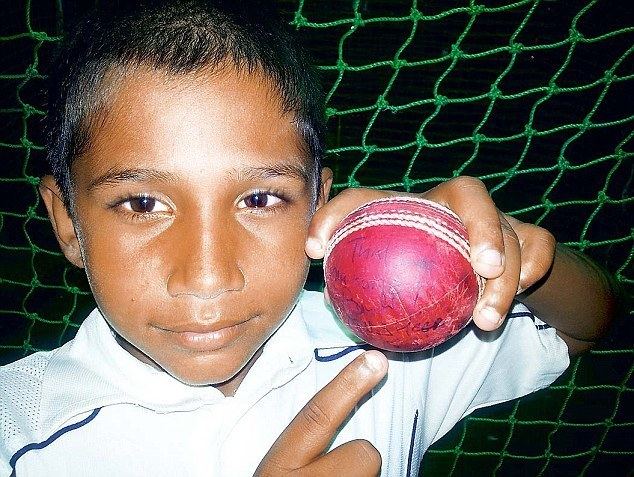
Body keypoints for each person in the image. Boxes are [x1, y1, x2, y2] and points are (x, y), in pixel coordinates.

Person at [0, 1, 618, 476]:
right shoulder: (18, 432)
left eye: (260, 199)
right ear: (66, 222)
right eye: (141, 204)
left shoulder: (385, 350)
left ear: (318, 207)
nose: (209, 276)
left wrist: (525, 259)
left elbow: (584, 325)